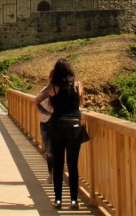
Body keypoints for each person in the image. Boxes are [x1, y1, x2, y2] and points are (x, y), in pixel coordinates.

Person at [35, 58, 84, 210]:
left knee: (58, 164)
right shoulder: (77, 85)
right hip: (74, 126)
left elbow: (36, 100)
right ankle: (74, 201)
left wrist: (47, 113)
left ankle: (58, 200)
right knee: (72, 165)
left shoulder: (53, 87)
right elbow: (81, 102)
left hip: (56, 125)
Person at [38, 71, 55, 184]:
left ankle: (55, 174)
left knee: (56, 151)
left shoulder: (59, 91)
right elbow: (36, 103)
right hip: (45, 123)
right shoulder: (44, 91)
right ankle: (51, 174)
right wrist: (48, 114)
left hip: (56, 123)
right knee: (49, 151)